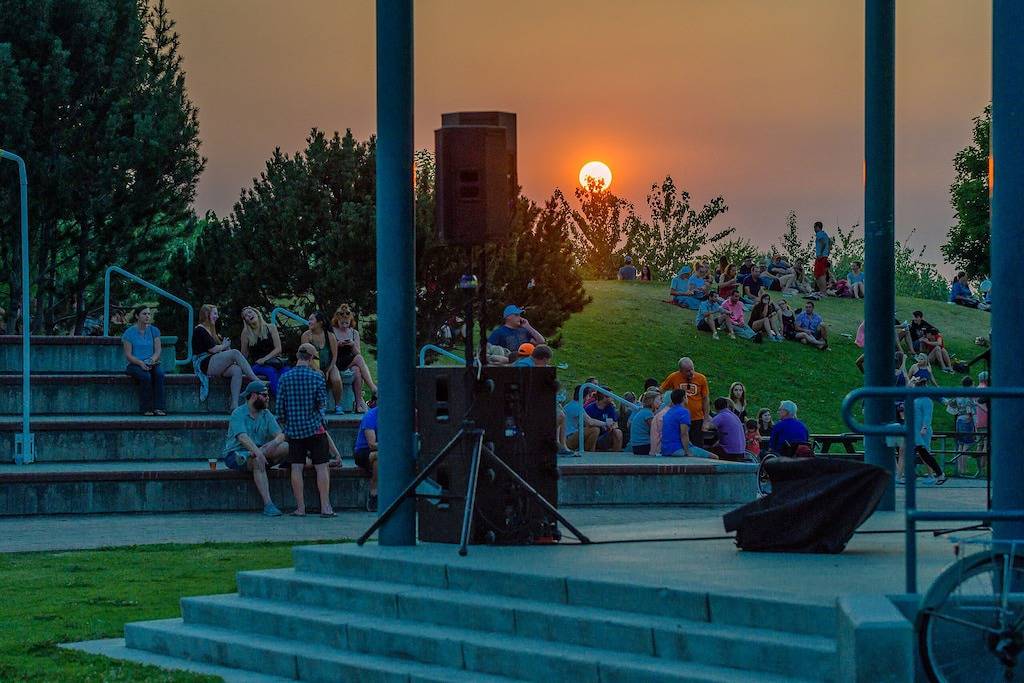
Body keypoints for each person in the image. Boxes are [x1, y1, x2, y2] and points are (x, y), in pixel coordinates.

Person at [277, 342, 335, 516]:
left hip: (294, 429)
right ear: (311, 358)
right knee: (322, 466)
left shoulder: (284, 378)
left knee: (296, 467)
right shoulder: (317, 377)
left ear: (297, 356)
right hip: (315, 428)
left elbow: (279, 409)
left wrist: (287, 423)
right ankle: (325, 507)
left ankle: (300, 508)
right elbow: (322, 404)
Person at [222, 380, 288, 516]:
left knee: (285, 446)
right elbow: (242, 438)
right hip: (236, 454)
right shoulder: (238, 413)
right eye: (264, 395)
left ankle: (251, 456)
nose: (268, 398)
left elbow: (281, 435)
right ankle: (268, 504)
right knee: (257, 460)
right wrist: (258, 453)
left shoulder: (266, 414)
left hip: (259, 452)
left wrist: (273, 444)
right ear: (253, 396)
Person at [192, 304, 260, 410]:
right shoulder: (200, 329)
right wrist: (224, 346)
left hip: (212, 362)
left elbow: (218, 350)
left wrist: (224, 347)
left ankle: (234, 404)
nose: (217, 316)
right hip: (203, 363)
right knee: (235, 353)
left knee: (236, 370)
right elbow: (212, 349)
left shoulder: (211, 331)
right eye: (215, 313)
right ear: (207, 314)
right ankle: (255, 379)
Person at [331, 304, 378, 412]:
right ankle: (373, 387)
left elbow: (358, 352)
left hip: (349, 360)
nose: (344, 325)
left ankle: (358, 404)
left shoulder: (354, 333)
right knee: (359, 360)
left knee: (357, 370)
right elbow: (330, 352)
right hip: (336, 360)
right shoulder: (332, 331)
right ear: (337, 320)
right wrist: (337, 345)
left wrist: (352, 345)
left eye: (346, 323)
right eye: (342, 323)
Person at [121, 305, 166, 416]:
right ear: (137, 316)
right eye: (144, 314)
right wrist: (141, 363)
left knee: (159, 374)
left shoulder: (154, 331)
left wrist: (151, 360)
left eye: (149, 314)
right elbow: (128, 355)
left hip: (151, 362)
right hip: (135, 364)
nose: (147, 316)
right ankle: (146, 408)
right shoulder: (129, 333)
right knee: (146, 376)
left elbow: (158, 350)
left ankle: (159, 408)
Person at [659, 357, 710, 447]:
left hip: (697, 419)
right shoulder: (674, 377)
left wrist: (706, 420)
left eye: (692, 369)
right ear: (681, 371)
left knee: (697, 446)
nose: (691, 373)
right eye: (687, 371)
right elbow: (661, 390)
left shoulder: (701, 378)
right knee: (681, 443)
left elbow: (705, 399)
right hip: (679, 418)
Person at [908, 376, 947, 485]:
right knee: (921, 453)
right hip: (916, 430)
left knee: (923, 453)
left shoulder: (926, 401)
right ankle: (938, 475)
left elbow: (927, 416)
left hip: (921, 431)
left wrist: (924, 427)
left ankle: (939, 474)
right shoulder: (917, 399)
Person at [240, 306, 286, 397]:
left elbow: (278, 348)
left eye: (250, 312)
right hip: (257, 365)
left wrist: (265, 359)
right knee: (271, 372)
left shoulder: (271, 327)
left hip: (272, 361)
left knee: (287, 371)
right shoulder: (246, 334)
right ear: (246, 321)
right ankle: (280, 399)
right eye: (246, 315)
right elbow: (244, 354)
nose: (249, 315)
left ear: (256, 313)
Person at [660, 389, 715, 458]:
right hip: (676, 448)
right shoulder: (684, 412)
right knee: (714, 457)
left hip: (665, 449)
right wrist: (687, 452)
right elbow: (684, 434)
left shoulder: (668, 412)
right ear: (684, 398)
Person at [945, 376, 978, 476]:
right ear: (970, 384)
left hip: (959, 419)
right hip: (966, 420)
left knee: (960, 444)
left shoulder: (958, 393)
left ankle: (960, 468)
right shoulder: (968, 395)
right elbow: (971, 409)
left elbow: (950, 404)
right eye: (973, 384)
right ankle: (964, 469)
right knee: (967, 445)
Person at [353, 405, 379, 511]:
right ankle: (373, 493)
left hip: (387, 449)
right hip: (364, 451)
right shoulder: (371, 416)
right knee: (379, 457)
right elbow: (372, 444)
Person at [564, 384, 604, 453]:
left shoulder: (572, 404)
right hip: (567, 439)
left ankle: (590, 453)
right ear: (585, 396)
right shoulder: (577, 406)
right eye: (589, 396)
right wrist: (605, 423)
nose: (589, 398)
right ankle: (588, 454)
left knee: (593, 429)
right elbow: (590, 421)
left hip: (568, 437)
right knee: (595, 430)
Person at [709, 397, 746, 461]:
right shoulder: (734, 416)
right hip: (741, 452)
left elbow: (707, 427)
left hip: (729, 452)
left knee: (706, 451)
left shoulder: (722, 416)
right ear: (726, 405)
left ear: (714, 407)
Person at [628, 390, 660, 455]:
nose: (660, 402)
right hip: (643, 446)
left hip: (636, 446)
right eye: (658, 400)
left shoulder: (642, 411)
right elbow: (654, 431)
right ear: (651, 401)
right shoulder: (648, 414)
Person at [813, 220, 832, 293]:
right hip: (824, 256)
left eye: (814, 227)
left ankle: (823, 292)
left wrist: (821, 253)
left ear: (817, 227)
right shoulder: (825, 234)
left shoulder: (819, 234)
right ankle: (821, 291)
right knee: (817, 274)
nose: (814, 229)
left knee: (821, 275)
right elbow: (830, 242)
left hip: (821, 257)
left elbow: (823, 243)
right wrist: (828, 251)